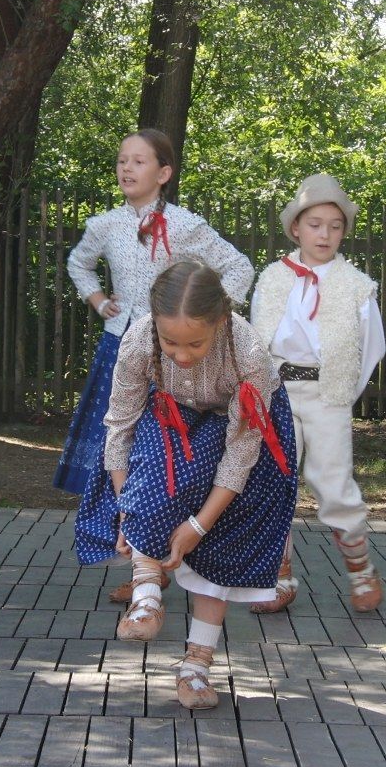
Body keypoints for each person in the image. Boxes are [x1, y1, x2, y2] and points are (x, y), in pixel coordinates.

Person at [75, 261, 297, 709]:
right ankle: (146, 596)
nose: (180, 354)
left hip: (240, 428)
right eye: (169, 341)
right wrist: (126, 511)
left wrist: (198, 525)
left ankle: (196, 667)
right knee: (153, 486)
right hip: (171, 411)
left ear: (219, 322)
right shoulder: (138, 340)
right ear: (154, 324)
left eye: (194, 343)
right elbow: (120, 426)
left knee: (220, 541)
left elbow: (239, 454)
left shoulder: (246, 352)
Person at [54, 129, 254, 501]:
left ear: (163, 174)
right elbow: (78, 263)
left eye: (138, 161)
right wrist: (98, 301)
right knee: (114, 433)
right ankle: (116, 522)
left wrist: (209, 317)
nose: (126, 168)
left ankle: (158, 522)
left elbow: (239, 266)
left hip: (170, 353)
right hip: (118, 345)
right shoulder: (105, 224)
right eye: (121, 160)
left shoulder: (184, 224)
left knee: (161, 444)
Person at [249, 174, 386, 614]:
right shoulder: (272, 279)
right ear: (296, 229)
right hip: (279, 392)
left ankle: (361, 570)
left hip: (328, 393)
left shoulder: (356, 286)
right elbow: (256, 339)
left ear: (344, 231)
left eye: (334, 225)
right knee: (274, 480)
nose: (324, 234)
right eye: (314, 224)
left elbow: (371, 347)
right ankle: (279, 576)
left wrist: (342, 390)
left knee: (333, 482)